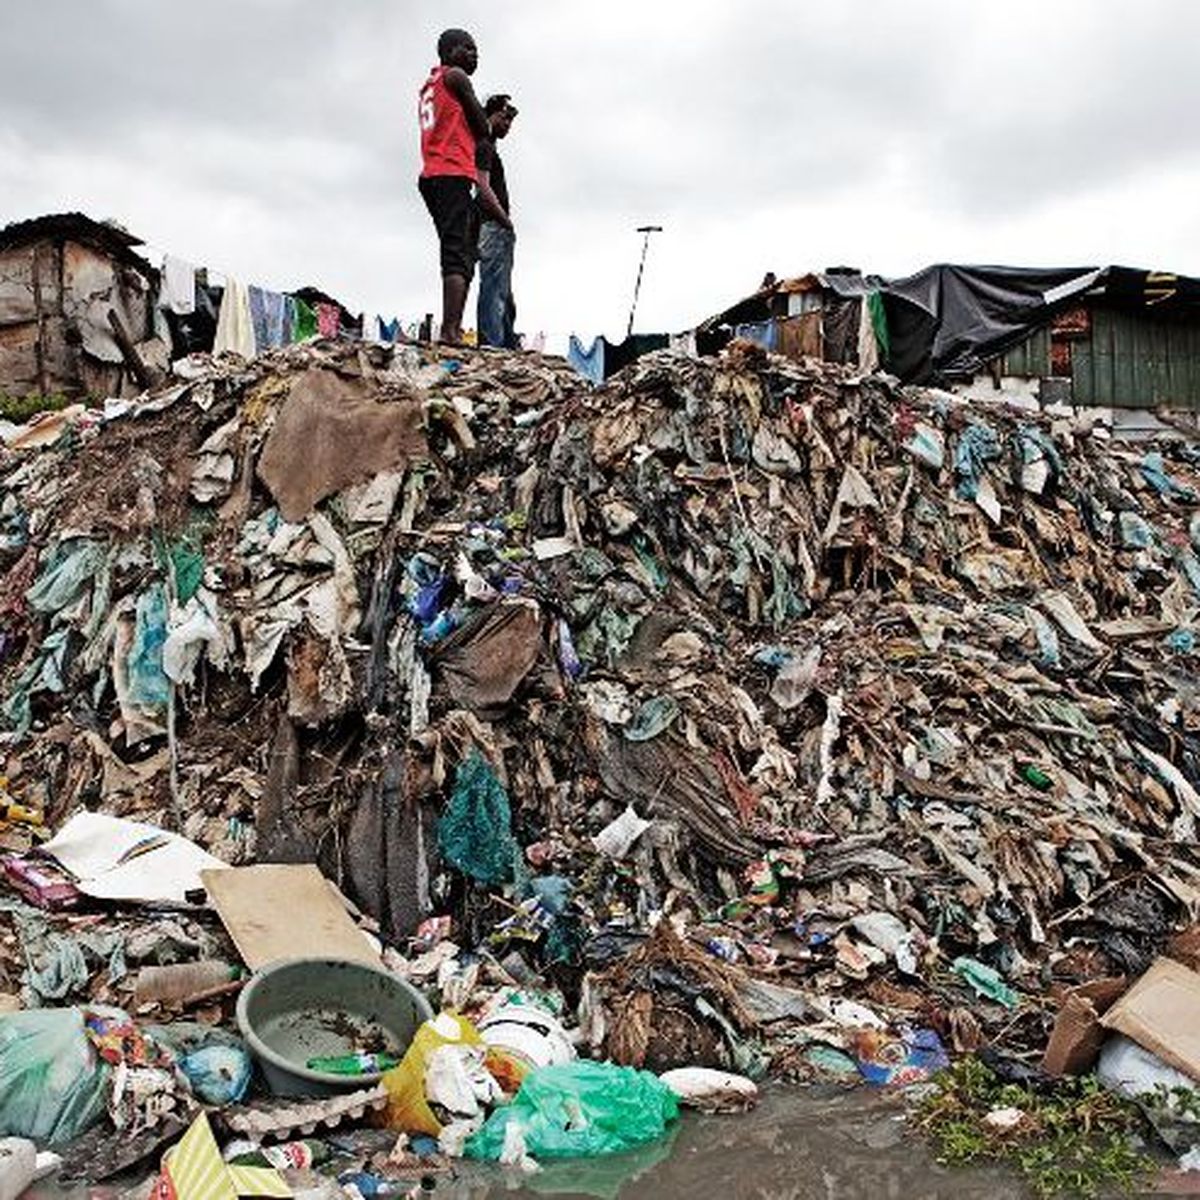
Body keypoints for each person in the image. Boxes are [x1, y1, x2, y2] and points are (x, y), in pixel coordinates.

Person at [417, 29, 490, 344]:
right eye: (467, 48)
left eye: (477, 50)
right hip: (451, 173)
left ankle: (452, 327)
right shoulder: (457, 77)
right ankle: (451, 331)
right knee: (457, 252)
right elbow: (483, 128)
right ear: (448, 52)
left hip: (432, 175)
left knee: (460, 249)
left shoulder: (429, 85)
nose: (474, 55)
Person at [475, 94, 518, 348]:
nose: (507, 125)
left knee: (504, 292)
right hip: (493, 226)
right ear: (490, 115)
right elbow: (482, 186)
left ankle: (506, 343)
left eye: (510, 121)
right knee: (493, 288)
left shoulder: (489, 146)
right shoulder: (484, 145)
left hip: (495, 227)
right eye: (504, 118)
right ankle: (491, 343)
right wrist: (504, 219)